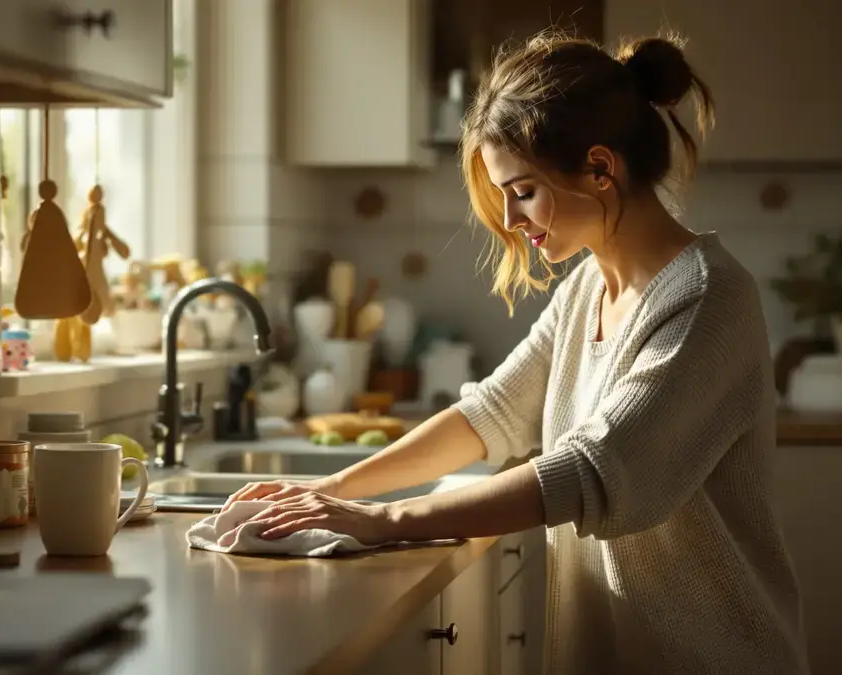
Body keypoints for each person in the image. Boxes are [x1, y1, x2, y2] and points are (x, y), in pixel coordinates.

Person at [223, 32, 809, 674]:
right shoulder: (589, 287)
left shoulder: (707, 296)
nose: (510, 218)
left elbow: (593, 471)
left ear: (600, 168)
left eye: (523, 190)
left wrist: (383, 518)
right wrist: (330, 490)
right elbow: (493, 414)